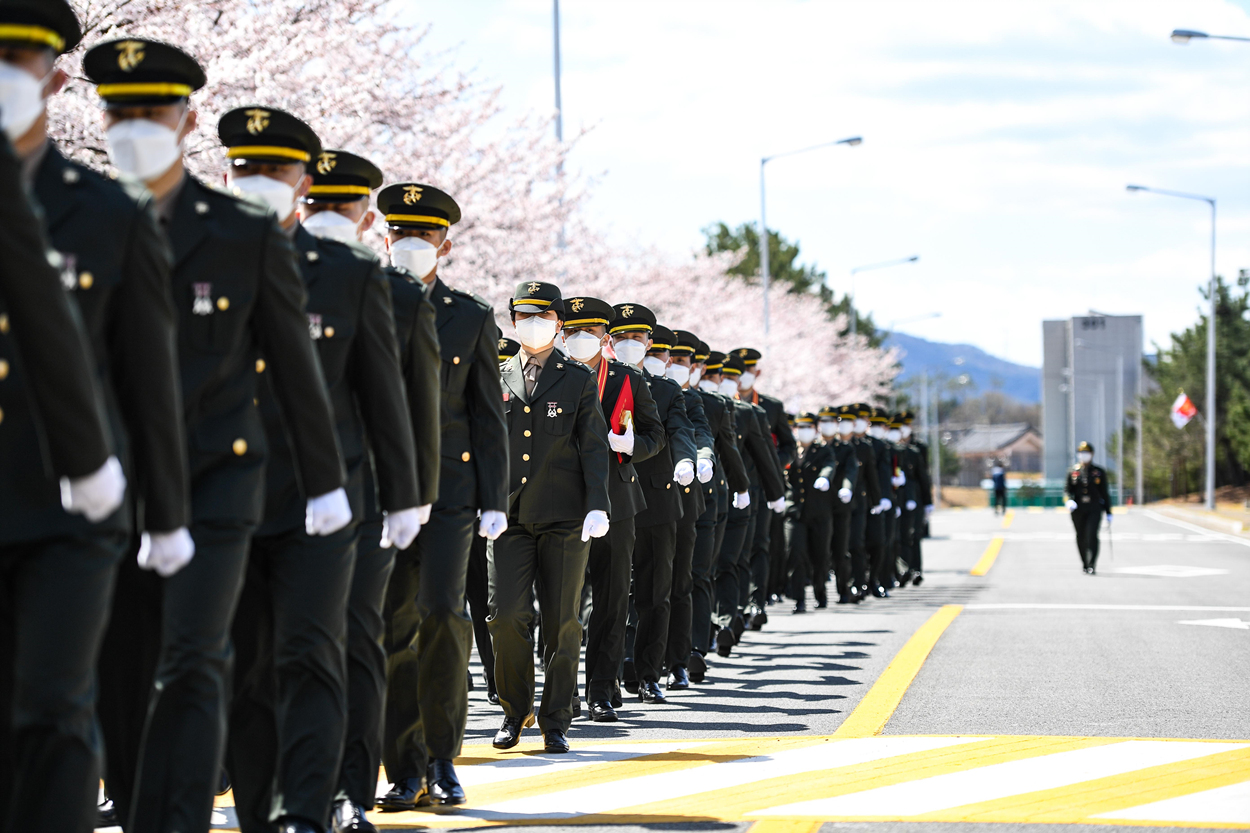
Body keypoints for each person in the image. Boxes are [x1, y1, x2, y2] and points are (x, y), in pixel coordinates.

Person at [84, 40, 350, 833]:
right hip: (111, 484)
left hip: (215, 479)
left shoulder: (239, 233)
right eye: (120, 112)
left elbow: (298, 371)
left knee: (193, 662)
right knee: (122, 674)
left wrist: (327, 479)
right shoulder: (73, 217)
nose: (136, 126)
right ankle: (141, 813)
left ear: (187, 119)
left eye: (153, 111)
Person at [216, 117, 421, 833]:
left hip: (323, 503)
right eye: (248, 173)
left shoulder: (350, 274)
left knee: (311, 652)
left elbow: (382, 395)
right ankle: (257, 813)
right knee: (244, 668)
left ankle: (305, 811)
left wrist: (402, 496)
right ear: (222, 177)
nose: (261, 189)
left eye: (276, 176)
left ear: (303, 189)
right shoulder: (188, 256)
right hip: (224, 497)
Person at [0, 33, 128, 826]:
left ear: (56, 77)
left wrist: (103, 472)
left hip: (64, 503)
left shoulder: (102, 210)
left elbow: (132, 367)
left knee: (51, 711)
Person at [294, 151, 441, 831]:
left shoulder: (398, 295)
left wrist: (408, 498)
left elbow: (412, 404)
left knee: (357, 640)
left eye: (339, 205)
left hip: (361, 496)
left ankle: (350, 790)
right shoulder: (251, 260)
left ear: (364, 216)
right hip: (263, 488)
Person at [374, 182, 508, 809]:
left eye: (422, 236)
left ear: (444, 244)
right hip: (379, 491)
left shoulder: (471, 315)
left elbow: (487, 415)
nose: (409, 244)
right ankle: (402, 763)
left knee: (443, 616)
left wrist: (495, 498)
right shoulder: (362, 295)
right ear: (383, 237)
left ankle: (442, 756)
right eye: (400, 233)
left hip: (451, 493)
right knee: (391, 623)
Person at [490, 280, 610, 752]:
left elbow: (593, 445)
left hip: (564, 516)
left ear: (559, 324)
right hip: (509, 515)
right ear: (514, 321)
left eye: (542, 316)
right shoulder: (498, 374)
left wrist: (598, 502)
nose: (532, 324)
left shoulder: (577, 378)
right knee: (506, 615)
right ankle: (513, 710)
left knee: (564, 620)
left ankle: (555, 717)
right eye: (523, 316)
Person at [561, 297, 663, 722]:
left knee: (612, 598)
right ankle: (562, 690)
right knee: (561, 600)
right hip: (562, 500)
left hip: (617, 501)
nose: (582, 338)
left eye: (591, 330)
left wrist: (633, 445)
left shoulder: (627, 380)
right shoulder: (549, 376)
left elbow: (656, 435)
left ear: (605, 336)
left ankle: (602, 688)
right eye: (574, 330)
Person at [610, 312, 695, 704]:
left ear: (649, 343)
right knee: (610, 594)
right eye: (621, 336)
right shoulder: (600, 382)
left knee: (654, 594)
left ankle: (648, 672)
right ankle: (610, 673)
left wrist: (685, 460)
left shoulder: (665, 390)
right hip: (612, 500)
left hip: (658, 501)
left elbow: (679, 429)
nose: (629, 342)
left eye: (637, 336)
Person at [712, 354, 785, 656]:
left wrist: (775, 491)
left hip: (745, 494)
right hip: (705, 496)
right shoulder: (694, 404)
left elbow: (767, 454)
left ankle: (731, 616)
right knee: (708, 565)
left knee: (738, 556)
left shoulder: (753, 412)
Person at [688, 347, 748, 680]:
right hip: (656, 501)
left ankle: (695, 648)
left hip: (709, 498)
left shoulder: (713, 405)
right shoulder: (641, 390)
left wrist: (741, 488)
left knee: (699, 573)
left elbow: (728, 447)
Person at [664, 329, 716, 690]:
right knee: (638, 585)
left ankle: (680, 659)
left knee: (681, 581)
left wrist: (701, 457)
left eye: (683, 361)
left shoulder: (693, 400)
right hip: (640, 498)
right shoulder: (637, 386)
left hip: (682, 500)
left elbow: (701, 434)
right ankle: (634, 659)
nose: (675, 366)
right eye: (672, 359)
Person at [730, 348, 796, 624]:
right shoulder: (721, 401)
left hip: (758, 485)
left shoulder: (771, 406)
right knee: (733, 547)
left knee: (759, 544)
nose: (744, 375)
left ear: (757, 373)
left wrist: (771, 465)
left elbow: (788, 446)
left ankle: (757, 602)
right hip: (730, 484)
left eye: (749, 370)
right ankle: (734, 603)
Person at [784, 413, 852, 612]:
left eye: (808, 427)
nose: (804, 431)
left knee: (820, 556)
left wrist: (825, 477)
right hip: (795, 511)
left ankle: (820, 592)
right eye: (800, 427)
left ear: (815, 430)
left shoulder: (823, 451)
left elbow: (830, 465)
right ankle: (799, 599)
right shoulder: (789, 450)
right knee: (795, 554)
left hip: (819, 512)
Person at [1066, 441, 1111, 574]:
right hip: (1078, 509)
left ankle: (1092, 564)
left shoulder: (1099, 472)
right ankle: (1084, 563)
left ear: (1092, 454)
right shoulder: (1073, 471)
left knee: (1092, 535)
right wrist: (1069, 500)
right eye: (1081, 453)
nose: (1084, 455)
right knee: (1080, 536)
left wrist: (1109, 512)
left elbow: (1104, 492)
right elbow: (1067, 490)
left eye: (1086, 453)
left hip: (1094, 508)